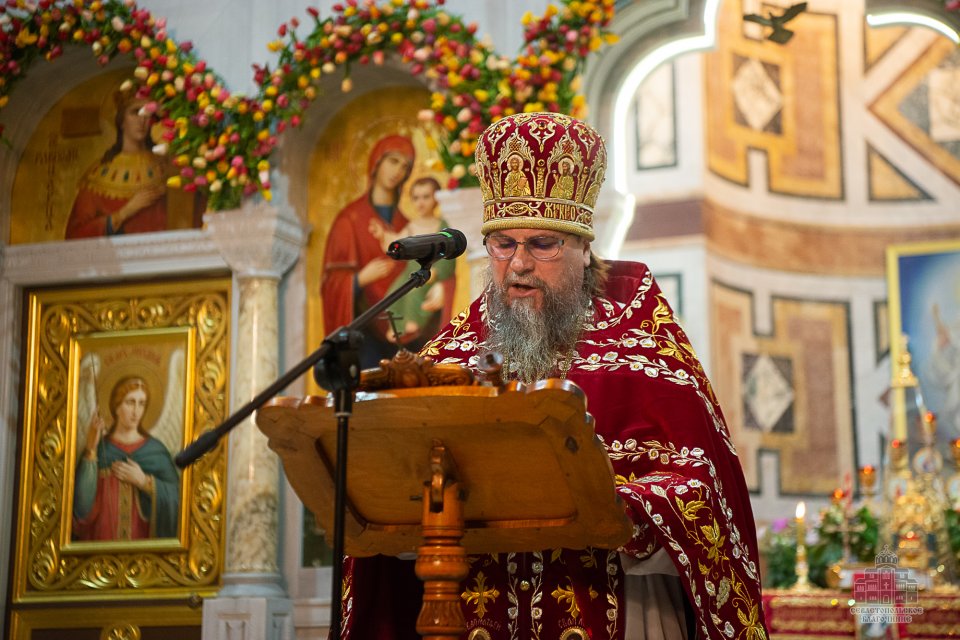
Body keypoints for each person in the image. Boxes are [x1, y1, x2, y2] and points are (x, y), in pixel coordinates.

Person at [336, 112, 769, 639]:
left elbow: (706, 499)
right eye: (503, 244)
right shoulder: (449, 355)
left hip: (614, 606)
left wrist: (619, 505)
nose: (519, 263)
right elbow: (394, 497)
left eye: (542, 244)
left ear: (585, 249)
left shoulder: (647, 352)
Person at [321, 134, 416, 368]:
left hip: (404, 331)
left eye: (405, 167)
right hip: (366, 335)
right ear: (376, 162)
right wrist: (361, 278)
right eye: (393, 161)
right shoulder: (349, 220)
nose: (398, 171)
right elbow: (331, 284)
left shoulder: (407, 225)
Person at [73, 376, 180, 541]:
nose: (136, 411)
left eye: (141, 403)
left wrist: (145, 482)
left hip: (144, 546)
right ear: (116, 406)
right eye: (130, 402)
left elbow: (178, 497)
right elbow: (81, 508)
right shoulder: (100, 448)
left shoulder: (155, 451)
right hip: (101, 543)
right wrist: (91, 451)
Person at [65, 89, 168, 238]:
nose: (142, 120)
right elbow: (76, 235)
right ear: (121, 121)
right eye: (135, 112)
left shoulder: (166, 166)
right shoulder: (97, 176)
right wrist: (126, 211)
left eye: (147, 114)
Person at [371, 176, 457, 348]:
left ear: (436, 198)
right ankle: (398, 327)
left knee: (414, 295)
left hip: (431, 270)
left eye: (426, 197)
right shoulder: (412, 226)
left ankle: (413, 323)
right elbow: (396, 241)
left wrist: (437, 272)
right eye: (416, 198)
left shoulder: (442, 225)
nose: (421, 202)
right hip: (411, 270)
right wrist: (382, 235)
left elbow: (449, 253)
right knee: (393, 294)